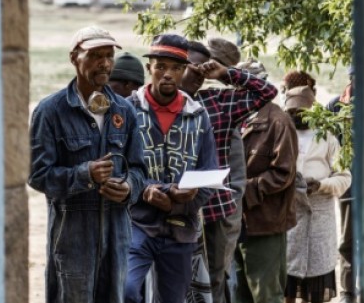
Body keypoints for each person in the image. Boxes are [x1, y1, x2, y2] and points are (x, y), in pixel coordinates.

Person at [28, 25, 147, 303]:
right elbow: (37, 175)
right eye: (95, 56)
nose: (104, 63)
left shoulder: (124, 110)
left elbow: (140, 169)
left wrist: (129, 187)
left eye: (108, 56)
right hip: (72, 240)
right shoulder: (51, 111)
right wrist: (85, 174)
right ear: (74, 58)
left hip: (117, 237)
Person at [181, 38, 279, 303]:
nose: (199, 76)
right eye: (192, 67)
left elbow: (267, 92)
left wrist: (226, 74)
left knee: (214, 278)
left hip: (216, 209)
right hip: (171, 209)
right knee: (176, 280)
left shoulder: (215, 103)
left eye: (205, 69)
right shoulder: (149, 105)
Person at [124, 33, 218, 303]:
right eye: (161, 66)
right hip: (136, 222)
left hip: (181, 227)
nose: (168, 74)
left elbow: (208, 174)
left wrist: (178, 204)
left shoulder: (198, 116)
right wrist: (145, 191)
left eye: (176, 68)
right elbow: (118, 168)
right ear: (149, 69)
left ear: (184, 71)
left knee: (173, 299)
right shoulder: (128, 111)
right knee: (127, 290)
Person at [231, 59, 299, 303]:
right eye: (238, 86)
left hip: (265, 222)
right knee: (239, 294)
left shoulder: (278, 121)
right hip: (234, 222)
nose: (241, 92)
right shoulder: (236, 117)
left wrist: (244, 190)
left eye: (248, 86)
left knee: (266, 295)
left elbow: (283, 173)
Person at [282, 74, 352, 303]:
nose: (298, 116)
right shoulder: (281, 133)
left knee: (316, 288)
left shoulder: (327, 136)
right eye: (293, 112)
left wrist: (321, 185)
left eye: (303, 111)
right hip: (289, 218)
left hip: (319, 220)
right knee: (287, 285)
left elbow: (344, 178)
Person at [326, 67, 355, 303]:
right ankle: (347, 292)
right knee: (347, 240)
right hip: (349, 185)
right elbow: (326, 143)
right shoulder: (336, 106)